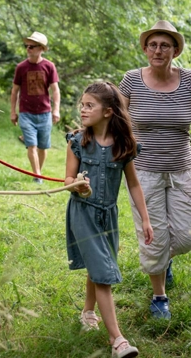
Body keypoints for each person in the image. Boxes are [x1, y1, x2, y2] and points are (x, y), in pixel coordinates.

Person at [65, 82, 153, 358]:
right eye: (82, 104)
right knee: (103, 273)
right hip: (83, 213)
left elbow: (134, 184)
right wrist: (76, 185)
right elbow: (68, 179)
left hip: (108, 216)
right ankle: (118, 341)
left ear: (108, 112)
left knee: (99, 265)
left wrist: (146, 219)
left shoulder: (125, 145)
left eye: (89, 105)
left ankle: (88, 311)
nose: (82, 109)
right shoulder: (77, 142)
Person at [119, 20, 191, 320]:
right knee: (153, 236)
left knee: (186, 235)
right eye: (153, 45)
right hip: (143, 171)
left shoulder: (189, 80)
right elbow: (115, 118)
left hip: (182, 169)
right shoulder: (131, 80)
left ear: (175, 50)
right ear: (146, 49)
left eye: (165, 45)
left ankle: (164, 259)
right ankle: (159, 296)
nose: (158, 50)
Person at [10, 31, 60, 183]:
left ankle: (38, 173)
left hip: (45, 113)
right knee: (31, 145)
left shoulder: (49, 66)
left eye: (32, 46)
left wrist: (56, 110)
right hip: (26, 113)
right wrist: (13, 111)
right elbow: (14, 91)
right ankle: (38, 176)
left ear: (41, 48)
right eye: (27, 46)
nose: (28, 49)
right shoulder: (21, 67)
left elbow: (55, 90)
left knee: (43, 147)